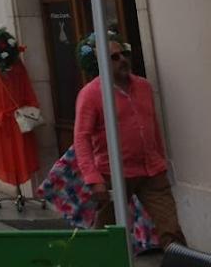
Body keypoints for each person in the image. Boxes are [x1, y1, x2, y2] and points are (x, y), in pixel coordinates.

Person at [74, 38, 183, 247]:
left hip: (151, 171)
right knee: (106, 237)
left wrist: (161, 159)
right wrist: (93, 178)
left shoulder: (143, 86)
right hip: (112, 174)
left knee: (171, 231)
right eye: (114, 57)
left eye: (124, 54)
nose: (122, 59)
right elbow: (82, 138)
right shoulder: (91, 94)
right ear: (101, 63)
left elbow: (154, 127)